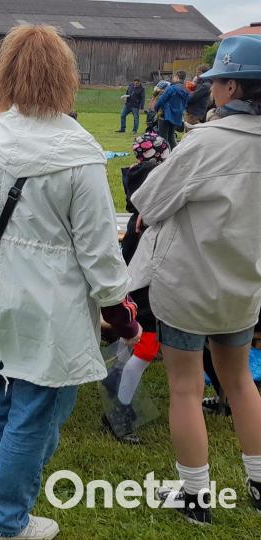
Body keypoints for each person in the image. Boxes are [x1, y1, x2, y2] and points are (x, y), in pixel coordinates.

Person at [0, 26, 140, 540]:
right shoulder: (79, 151)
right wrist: (120, 311)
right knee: (35, 410)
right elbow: (100, 251)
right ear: (66, 77)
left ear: (5, 74)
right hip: (51, 308)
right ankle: (6, 522)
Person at [127, 34, 261, 524]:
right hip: (244, 285)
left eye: (216, 82)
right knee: (241, 382)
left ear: (229, 87)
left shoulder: (207, 143)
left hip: (188, 285)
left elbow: (149, 200)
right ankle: (258, 482)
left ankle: (195, 497)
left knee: (185, 388)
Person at [99, 132, 171, 445]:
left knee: (139, 348)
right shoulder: (150, 216)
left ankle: (117, 388)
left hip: (139, 286)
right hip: (145, 289)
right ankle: (119, 414)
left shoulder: (140, 208)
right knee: (145, 349)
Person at [154, 70, 190, 148]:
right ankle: (174, 155)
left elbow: (162, 100)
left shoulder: (171, 88)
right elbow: (186, 103)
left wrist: (156, 108)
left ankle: (165, 157)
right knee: (171, 137)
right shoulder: (186, 90)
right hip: (177, 116)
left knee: (163, 138)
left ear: (177, 77)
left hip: (165, 115)